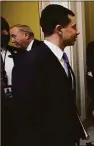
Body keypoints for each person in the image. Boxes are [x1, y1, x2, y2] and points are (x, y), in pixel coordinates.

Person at [12, 4, 85, 146]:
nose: (78, 32)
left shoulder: (60, 57)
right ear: (59, 29)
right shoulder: (28, 63)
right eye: (74, 27)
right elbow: (26, 118)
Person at [1, 16, 18, 146]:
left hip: (16, 103)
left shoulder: (18, 53)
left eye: (6, 29)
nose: (6, 34)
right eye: (2, 30)